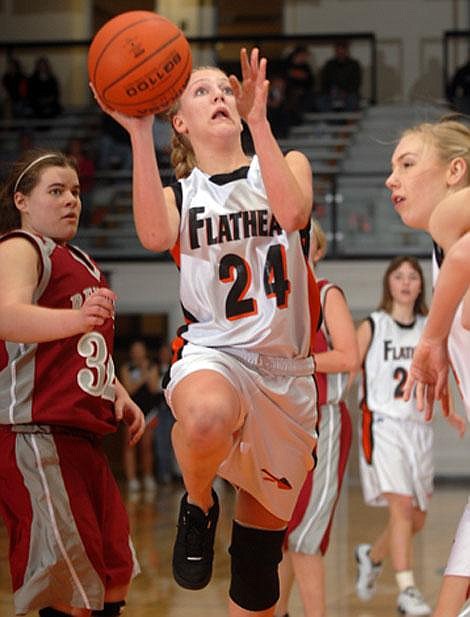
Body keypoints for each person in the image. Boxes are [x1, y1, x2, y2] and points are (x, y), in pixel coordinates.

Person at [92, 47, 320, 616]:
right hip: (214, 354)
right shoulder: (180, 196)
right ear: (182, 123)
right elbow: (150, 235)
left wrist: (261, 122)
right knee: (205, 416)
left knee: (257, 572)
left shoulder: (288, 163)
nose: (219, 94)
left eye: (225, 87)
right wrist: (139, 133)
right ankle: (197, 504)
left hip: (285, 376)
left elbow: (292, 216)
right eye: (202, 91)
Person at [0, 148, 146, 617]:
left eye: (76, 192)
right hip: (35, 432)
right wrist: (76, 317)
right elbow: (6, 316)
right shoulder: (20, 247)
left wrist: (118, 392)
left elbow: (85, 350)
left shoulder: (79, 257)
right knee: (70, 584)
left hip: (81, 436)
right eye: (56, 191)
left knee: (114, 569)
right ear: (22, 200)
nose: (71, 201)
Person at [386, 118, 470, 617]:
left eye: (408, 164)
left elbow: (462, 255)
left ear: (456, 170)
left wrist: (431, 339)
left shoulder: (451, 220)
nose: (391, 179)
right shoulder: (440, 245)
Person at [354, 255, 465, 617]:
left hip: (419, 429)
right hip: (383, 425)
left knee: (415, 519)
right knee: (400, 508)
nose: (405, 282)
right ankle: (407, 590)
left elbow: (443, 374)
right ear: (388, 282)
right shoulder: (373, 325)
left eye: (412, 276)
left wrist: (451, 413)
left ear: (421, 285)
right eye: (398, 276)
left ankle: (371, 557)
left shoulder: (430, 328)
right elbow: (347, 369)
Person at [275, 219, 359, 617]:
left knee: (305, 535)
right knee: (282, 533)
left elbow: (348, 357)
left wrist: (296, 364)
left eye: (305, 243)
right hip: (283, 426)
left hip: (324, 421)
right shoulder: (277, 301)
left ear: (318, 251)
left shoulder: (327, 295)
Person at [119, 338, 159, 494]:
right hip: (130, 413)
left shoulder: (152, 366)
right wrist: (144, 376)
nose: (137, 353)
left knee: (147, 446)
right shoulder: (126, 368)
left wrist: (145, 373)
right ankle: (132, 479)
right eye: (134, 350)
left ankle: (148, 477)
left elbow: (154, 387)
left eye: (140, 350)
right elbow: (129, 389)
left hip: (149, 412)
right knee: (129, 446)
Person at [154, 342, 178, 485]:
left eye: (166, 352)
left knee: (178, 444)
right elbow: (154, 387)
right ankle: (164, 474)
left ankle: (179, 475)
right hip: (162, 410)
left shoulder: (176, 368)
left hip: (175, 410)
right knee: (162, 443)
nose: (164, 355)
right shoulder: (154, 368)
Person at [318, 40, 362, 112]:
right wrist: (331, 91)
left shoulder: (354, 64)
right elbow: (324, 81)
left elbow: (356, 82)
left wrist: (346, 91)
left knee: (352, 100)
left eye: (342, 50)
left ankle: (347, 121)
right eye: (338, 50)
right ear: (335, 51)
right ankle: (332, 121)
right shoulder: (329, 64)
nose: (340, 53)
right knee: (320, 100)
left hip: (349, 93)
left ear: (346, 51)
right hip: (331, 93)